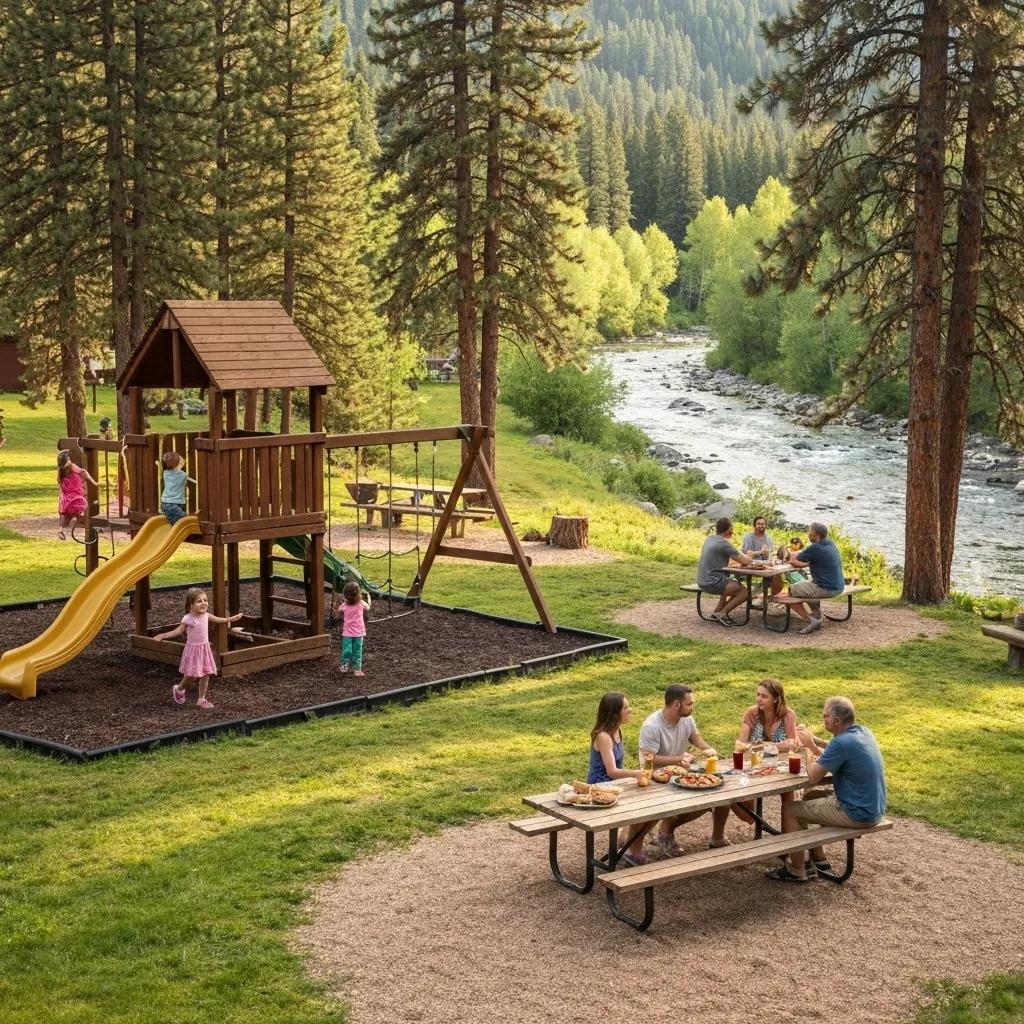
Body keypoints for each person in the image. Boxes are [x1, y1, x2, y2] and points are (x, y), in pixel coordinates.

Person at [766, 696, 886, 883]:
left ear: (837, 720)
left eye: (825, 717)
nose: (824, 721)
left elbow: (813, 777)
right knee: (810, 797)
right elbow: (835, 749)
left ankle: (796, 869)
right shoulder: (863, 732)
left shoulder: (841, 743)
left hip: (856, 812)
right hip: (873, 808)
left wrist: (810, 747)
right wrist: (816, 741)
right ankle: (817, 857)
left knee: (790, 809)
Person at [637, 684, 731, 856]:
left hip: (680, 775)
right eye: (690, 704)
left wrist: (707, 749)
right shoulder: (652, 726)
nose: (692, 707)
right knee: (700, 797)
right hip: (656, 779)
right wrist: (679, 759)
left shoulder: (686, 719)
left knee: (720, 795)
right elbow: (649, 759)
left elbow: (694, 737)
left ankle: (717, 838)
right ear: (676, 704)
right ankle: (664, 834)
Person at [155, 588, 247, 709]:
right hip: (193, 650)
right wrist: (163, 635)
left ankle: (201, 699)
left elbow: (219, 620)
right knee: (191, 675)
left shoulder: (206, 615)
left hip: (204, 649)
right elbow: (177, 631)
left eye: (205, 600)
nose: (203, 603)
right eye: (199, 601)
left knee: (206, 673)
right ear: (191, 605)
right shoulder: (188, 619)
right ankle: (179, 688)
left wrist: (230, 619)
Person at [587, 691, 649, 866]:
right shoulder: (603, 736)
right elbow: (612, 771)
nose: (630, 710)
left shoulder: (617, 731)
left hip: (615, 784)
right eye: (626, 708)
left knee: (649, 800)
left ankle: (626, 842)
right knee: (641, 803)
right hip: (601, 786)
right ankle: (626, 844)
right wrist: (636, 773)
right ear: (615, 713)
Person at [696, 517, 762, 626]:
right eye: (731, 528)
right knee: (745, 592)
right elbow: (745, 561)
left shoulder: (710, 538)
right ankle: (723, 613)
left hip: (702, 580)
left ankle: (717, 612)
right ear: (728, 530)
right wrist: (750, 556)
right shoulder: (723, 543)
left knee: (730, 581)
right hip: (713, 582)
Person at [785, 522, 845, 634]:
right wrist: (807, 562)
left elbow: (794, 561)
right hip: (838, 586)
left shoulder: (815, 548)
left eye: (810, 532)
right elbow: (809, 562)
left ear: (816, 535)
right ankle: (817, 615)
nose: (808, 534)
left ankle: (810, 620)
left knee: (791, 591)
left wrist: (791, 554)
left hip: (826, 588)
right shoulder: (830, 543)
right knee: (807, 587)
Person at [56, 449, 98, 540]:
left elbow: (60, 484)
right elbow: (84, 472)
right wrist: (94, 483)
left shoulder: (60, 471)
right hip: (77, 497)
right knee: (81, 506)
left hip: (66, 500)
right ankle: (75, 517)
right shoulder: (72, 466)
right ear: (68, 459)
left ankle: (60, 529)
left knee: (63, 513)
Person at [336, 580, 371, 676]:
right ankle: (350, 667)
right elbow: (368, 607)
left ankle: (353, 668)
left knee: (353, 651)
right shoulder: (356, 604)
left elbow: (339, 611)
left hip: (356, 633)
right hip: (349, 633)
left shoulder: (358, 604)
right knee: (352, 650)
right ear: (358, 594)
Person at [160, 451, 194, 525]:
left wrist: (179, 462)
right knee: (186, 520)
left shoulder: (165, 473)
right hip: (174, 504)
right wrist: (181, 462)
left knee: (175, 522)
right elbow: (180, 471)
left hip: (165, 503)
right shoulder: (183, 476)